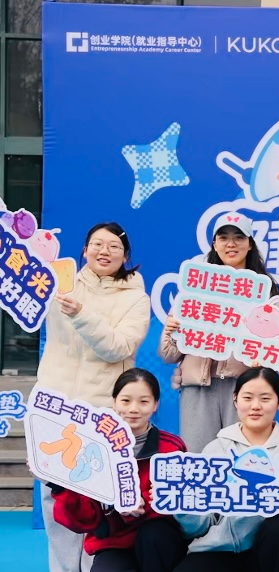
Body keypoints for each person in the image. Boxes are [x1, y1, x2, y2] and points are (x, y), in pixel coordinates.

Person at [36, 222, 151, 572]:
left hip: (99, 413)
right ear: (84, 250)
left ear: (125, 256)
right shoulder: (60, 282)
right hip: (54, 408)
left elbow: (119, 347)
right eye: (97, 244)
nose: (104, 251)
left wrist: (81, 314)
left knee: (94, 500)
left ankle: (92, 568)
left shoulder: (136, 298)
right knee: (54, 498)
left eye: (114, 247)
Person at [160, 212, 279, 454]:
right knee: (197, 461)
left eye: (239, 237)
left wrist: (264, 358)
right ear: (214, 244)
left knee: (244, 458)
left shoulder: (266, 292)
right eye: (224, 237)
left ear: (250, 244)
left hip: (244, 389)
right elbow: (167, 354)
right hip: (197, 390)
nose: (231, 244)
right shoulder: (194, 289)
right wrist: (171, 331)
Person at [173, 368, 279, 572]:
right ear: (235, 400)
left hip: (276, 551)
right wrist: (183, 507)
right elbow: (198, 526)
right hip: (222, 549)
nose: (255, 406)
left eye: (265, 398)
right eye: (247, 398)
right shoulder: (216, 450)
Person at [51, 369, 189, 572]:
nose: (134, 409)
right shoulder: (92, 449)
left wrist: (139, 503)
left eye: (143, 402)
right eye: (126, 401)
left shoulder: (172, 447)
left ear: (155, 405)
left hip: (158, 541)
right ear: (114, 403)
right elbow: (83, 519)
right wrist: (59, 485)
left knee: (154, 535)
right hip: (114, 542)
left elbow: (181, 501)